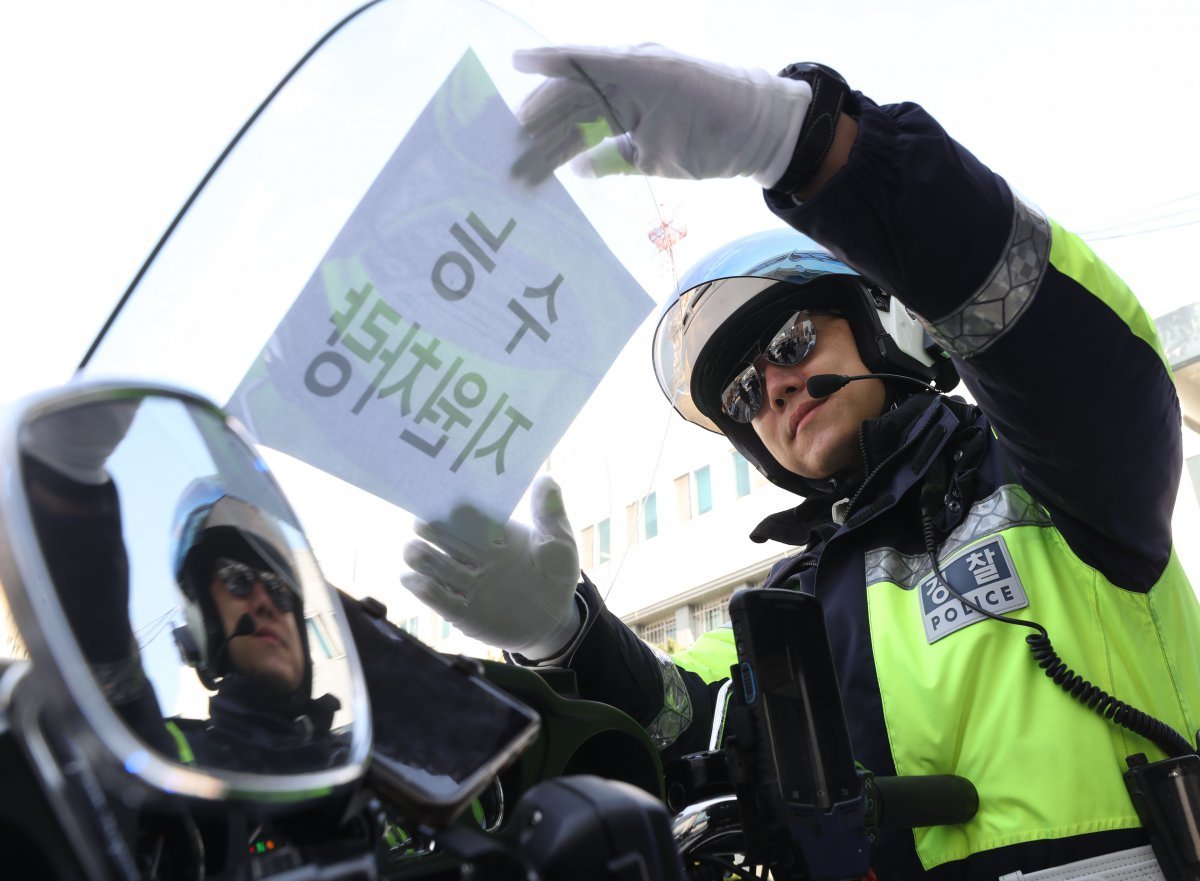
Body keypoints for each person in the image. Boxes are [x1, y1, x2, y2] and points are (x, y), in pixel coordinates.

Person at [400, 44, 1200, 881]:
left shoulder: (1050, 472)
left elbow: (1065, 345)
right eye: (742, 394)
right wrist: (560, 635)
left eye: (793, 340)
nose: (775, 388)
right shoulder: (784, 605)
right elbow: (679, 723)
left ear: (879, 331)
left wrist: (815, 146)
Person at [169, 477, 344, 772]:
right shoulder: (176, 761)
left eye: (277, 586)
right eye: (237, 578)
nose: (265, 602)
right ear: (206, 621)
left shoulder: (358, 757)